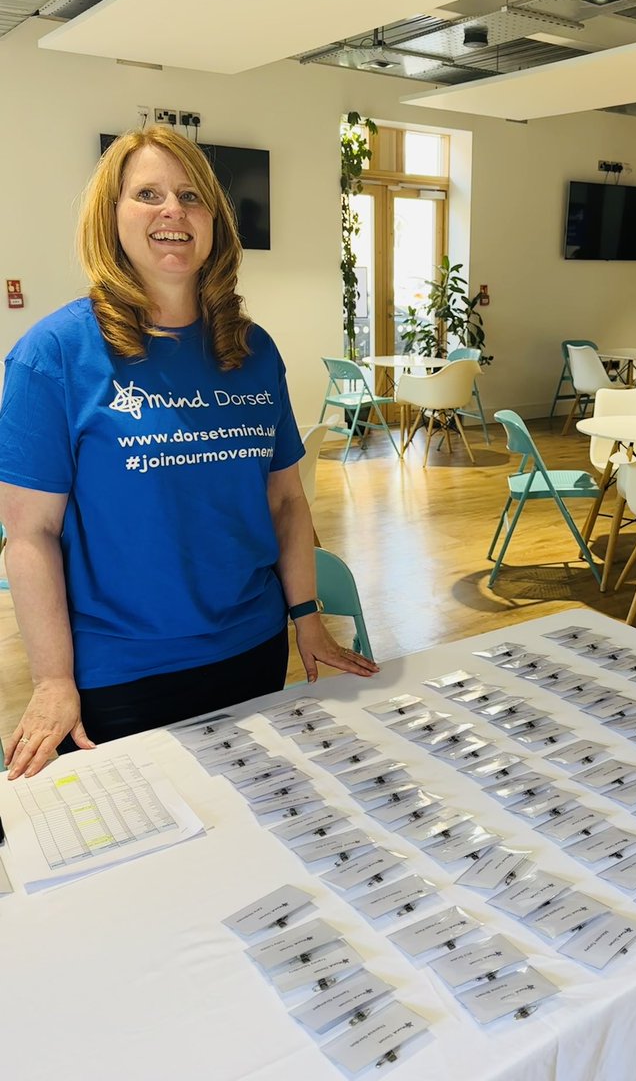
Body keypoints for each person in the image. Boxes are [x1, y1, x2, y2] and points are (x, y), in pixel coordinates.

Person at [0, 126, 377, 780]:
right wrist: (54, 678)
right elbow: (30, 534)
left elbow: (286, 501)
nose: (172, 210)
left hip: (251, 650)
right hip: (120, 674)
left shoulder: (253, 351)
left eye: (190, 195)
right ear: (111, 219)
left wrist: (307, 620)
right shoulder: (53, 355)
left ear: (214, 222)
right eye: (146, 194)